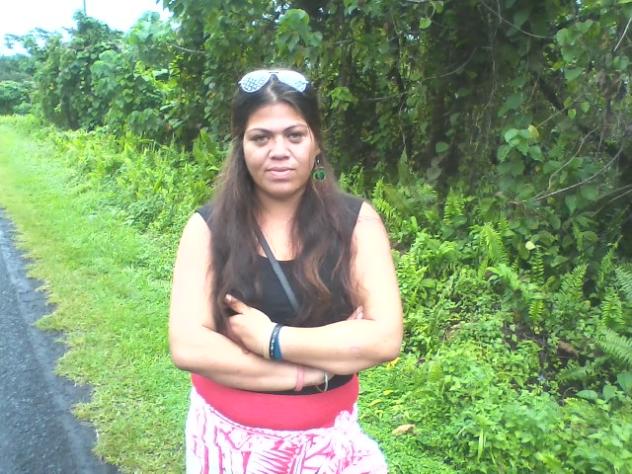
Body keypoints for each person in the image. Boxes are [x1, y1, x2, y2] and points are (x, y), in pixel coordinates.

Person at [168, 68, 403, 473]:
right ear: (241, 146)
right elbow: (189, 347)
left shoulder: (356, 223)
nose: (279, 150)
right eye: (261, 138)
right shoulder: (209, 228)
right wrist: (311, 371)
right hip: (227, 447)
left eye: (294, 135)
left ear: (316, 143)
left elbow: (383, 339)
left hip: (328, 449)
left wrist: (272, 339)